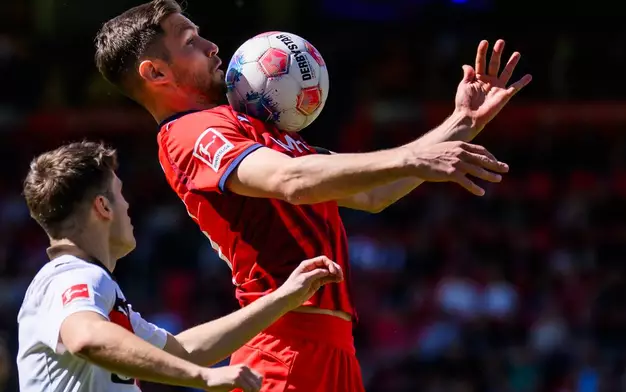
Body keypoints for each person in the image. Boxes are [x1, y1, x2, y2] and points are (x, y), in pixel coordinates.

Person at [94, 1, 532, 390]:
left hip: (333, 350)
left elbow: (374, 192)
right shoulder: (188, 132)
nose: (212, 46)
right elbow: (291, 180)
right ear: (155, 73)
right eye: (191, 41)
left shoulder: (252, 125)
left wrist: (462, 122)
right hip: (283, 348)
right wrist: (414, 156)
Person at [16, 141, 343, 392]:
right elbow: (86, 336)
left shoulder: (88, 283)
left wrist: (283, 298)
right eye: (119, 194)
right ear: (102, 206)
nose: (128, 205)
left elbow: (183, 350)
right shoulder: (72, 276)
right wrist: (202, 377)